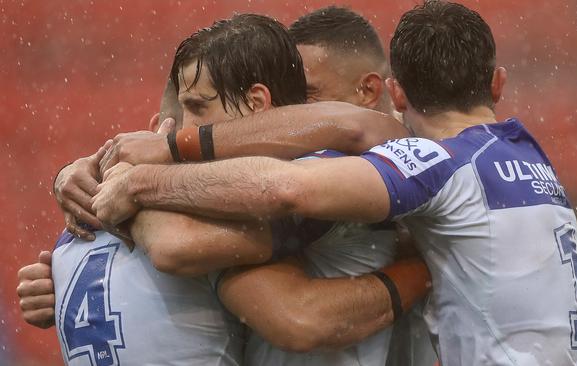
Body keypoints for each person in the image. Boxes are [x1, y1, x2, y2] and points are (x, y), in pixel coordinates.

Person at [92, 2, 577, 365]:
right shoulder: (528, 157)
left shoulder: (431, 165)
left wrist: (139, 181)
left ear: (390, 89)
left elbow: (280, 192)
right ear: (498, 83)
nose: (294, 116)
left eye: (306, 97)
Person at [18, 13, 430, 365]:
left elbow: (182, 248)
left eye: (310, 99)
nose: (182, 130)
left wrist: (132, 183)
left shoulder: (346, 168)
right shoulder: (198, 200)